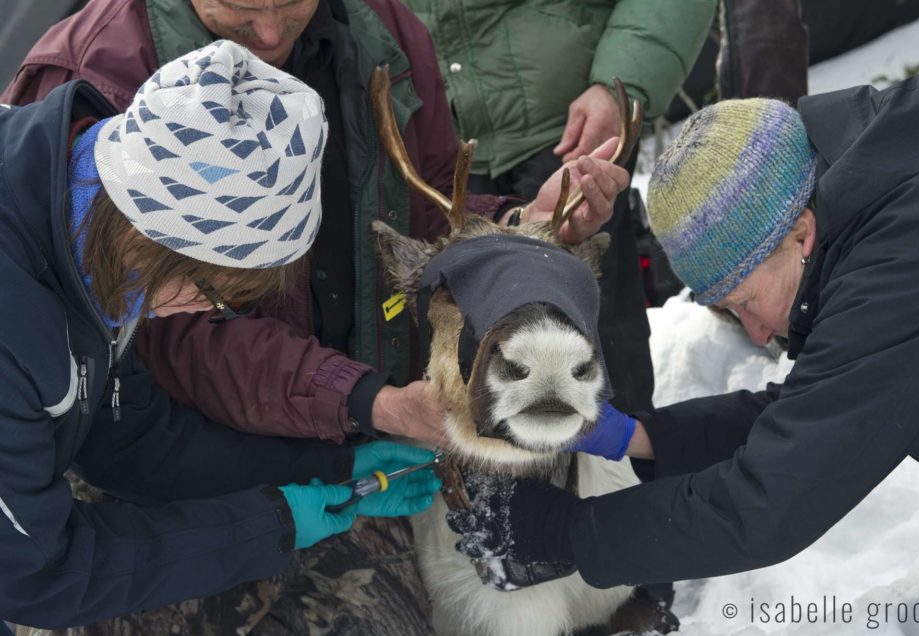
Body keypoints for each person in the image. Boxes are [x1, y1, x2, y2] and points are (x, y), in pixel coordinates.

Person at [0, 0, 628, 447]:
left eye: (295, 0)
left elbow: (429, 205)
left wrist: (525, 226)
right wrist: (361, 401)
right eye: (237, 4)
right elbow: (164, 330)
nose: (271, 31)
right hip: (183, 450)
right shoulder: (96, 69)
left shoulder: (381, 31)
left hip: (362, 420)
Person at [446, 64, 919, 592]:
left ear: (801, 234)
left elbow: (770, 502)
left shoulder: (910, 252)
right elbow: (831, 401)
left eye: (745, 303)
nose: (758, 335)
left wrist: (564, 531)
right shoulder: (894, 183)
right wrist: (635, 436)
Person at [0, 40, 441, 630]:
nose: (196, 314)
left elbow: (133, 439)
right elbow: (34, 574)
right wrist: (272, 526)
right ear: (154, 238)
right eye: (210, 293)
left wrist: (326, 467)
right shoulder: (15, 324)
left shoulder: (95, 235)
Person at [399, 0, 716, 415]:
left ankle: (630, 467)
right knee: (484, 358)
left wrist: (621, 82)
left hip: (572, 132)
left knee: (599, 345)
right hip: (442, 159)